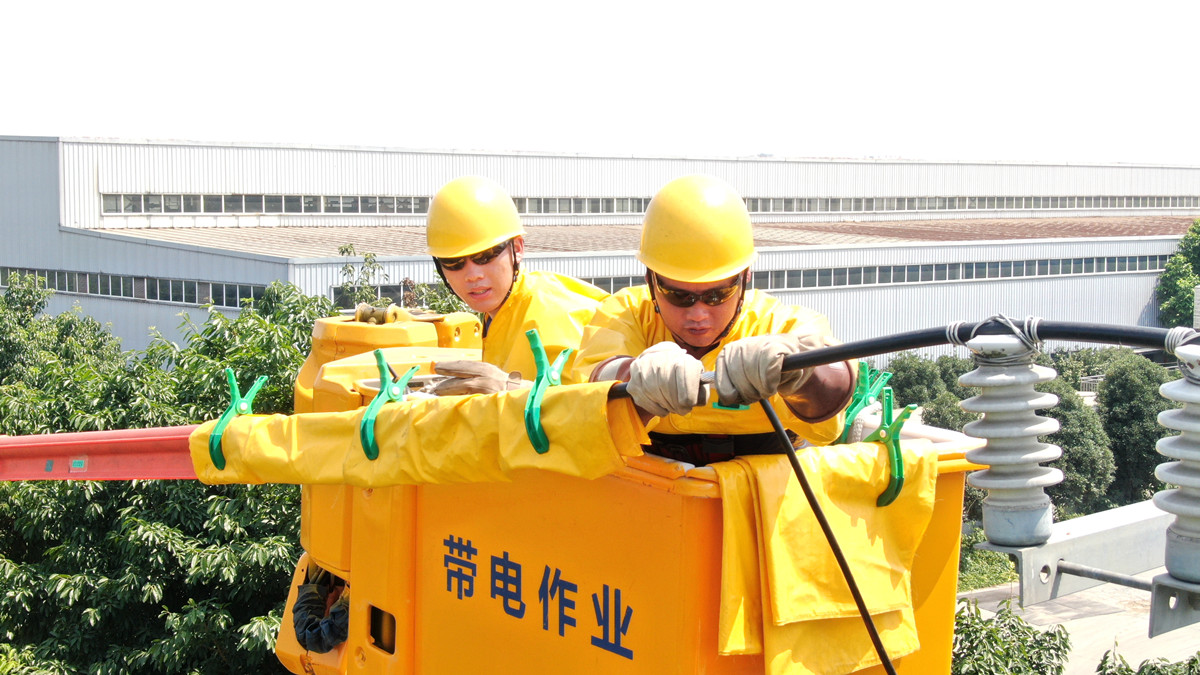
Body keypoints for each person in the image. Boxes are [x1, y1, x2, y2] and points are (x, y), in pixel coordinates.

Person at [572, 175, 855, 465]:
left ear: (745, 279)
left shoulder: (780, 325)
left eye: (719, 294)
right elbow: (586, 391)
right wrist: (634, 378)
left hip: (766, 505)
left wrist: (799, 372)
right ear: (651, 282)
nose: (698, 314)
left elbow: (830, 412)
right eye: (677, 295)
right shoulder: (626, 312)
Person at [426, 176, 608, 387]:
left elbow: (595, 407)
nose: (472, 275)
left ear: (518, 249)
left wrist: (514, 391)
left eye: (485, 257)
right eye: (454, 263)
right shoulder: (500, 314)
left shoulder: (554, 315)